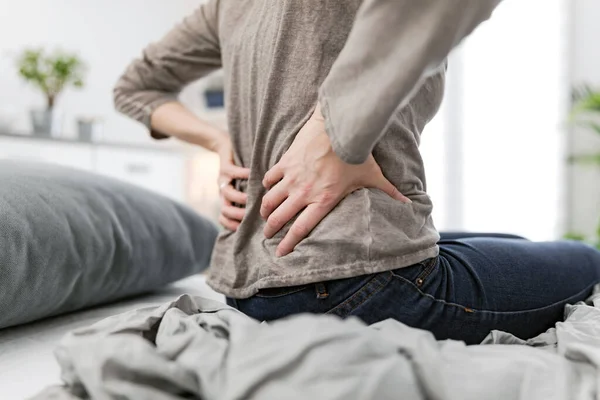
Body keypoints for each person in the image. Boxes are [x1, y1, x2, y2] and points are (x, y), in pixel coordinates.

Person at [114, 0, 600, 345]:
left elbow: (135, 87)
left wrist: (217, 141)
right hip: (363, 285)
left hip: (252, 291)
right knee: (587, 258)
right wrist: (329, 131)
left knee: (512, 240)